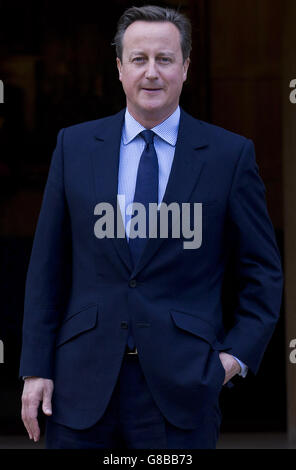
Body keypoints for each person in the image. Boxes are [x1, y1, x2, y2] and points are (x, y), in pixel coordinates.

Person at [20, 5, 283, 449]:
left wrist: (232, 360)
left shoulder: (229, 155)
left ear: (185, 68)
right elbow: (47, 267)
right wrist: (36, 367)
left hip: (183, 389)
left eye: (164, 59)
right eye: (139, 59)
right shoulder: (74, 145)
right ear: (120, 68)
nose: (152, 73)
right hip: (78, 387)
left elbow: (263, 272)